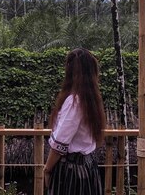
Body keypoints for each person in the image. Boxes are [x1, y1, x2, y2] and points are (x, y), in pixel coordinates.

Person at [44, 48, 106, 194]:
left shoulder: (74, 101)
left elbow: (60, 143)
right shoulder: (90, 100)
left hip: (71, 172)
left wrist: (47, 169)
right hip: (88, 167)